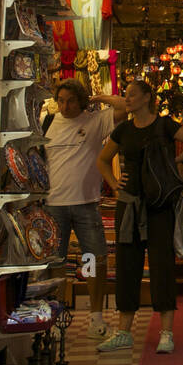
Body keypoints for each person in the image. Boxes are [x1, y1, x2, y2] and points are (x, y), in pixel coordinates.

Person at [95, 80, 183, 355]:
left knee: (162, 265)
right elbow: (102, 159)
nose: (128, 99)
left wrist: (173, 163)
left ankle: (166, 332)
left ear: (147, 97)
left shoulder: (165, 125)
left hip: (160, 205)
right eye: (126, 95)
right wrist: (113, 179)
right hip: (129, 204)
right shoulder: (123, 129)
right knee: (127, 264)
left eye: (132, 95)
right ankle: (124, 331)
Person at [44, 79, 128, 341]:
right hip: (53, 205)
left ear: (81, 101)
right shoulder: (47, 123)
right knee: (55, 263)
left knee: (93, 259)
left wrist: (98, 98)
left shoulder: (95, 121)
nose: (65, 106)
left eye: (70, 100)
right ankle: (56, 317)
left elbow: (124, 106)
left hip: (85, 204)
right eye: (61, 100)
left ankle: (95, 316)